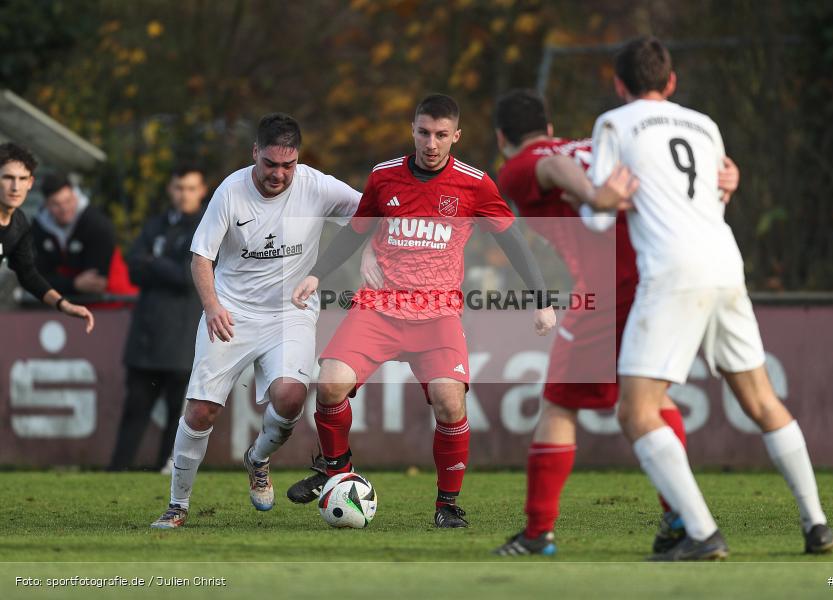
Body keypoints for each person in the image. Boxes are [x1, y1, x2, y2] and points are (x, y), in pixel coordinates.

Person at [592, 37, 833, 560]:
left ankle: (702, 532)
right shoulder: (704, 125)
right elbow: (721, 190)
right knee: (761, 399)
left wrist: (594, 196)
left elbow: (598, 213)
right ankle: (816, 523)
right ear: (672, 82)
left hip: (672, 270)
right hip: (725, 262)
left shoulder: (614, 123)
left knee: (636, 413)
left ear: (619, 85)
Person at [489, 89, 742, 556]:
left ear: (502, 137)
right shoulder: (592, 145)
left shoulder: (519, 165)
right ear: (549, 127)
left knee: (559, 406)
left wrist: (592, 197)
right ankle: (681, 518)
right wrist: (723, 172)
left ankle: (537, 532)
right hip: (657, 277)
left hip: (609, 288)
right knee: (652, 398)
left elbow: (549, 169)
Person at [286, 94, 557, 528]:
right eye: (424, 133)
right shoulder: (384, 177)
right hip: (378, 306)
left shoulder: (475, 184)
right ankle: (334, 470)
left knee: (451, 403)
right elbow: (355, 232)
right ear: (413, 130)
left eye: (442, 135)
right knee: (331, 382)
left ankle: (446, 505)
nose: (432, 143)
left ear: (456, 136)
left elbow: (513, 241)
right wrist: (317, 272)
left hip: (437, 314)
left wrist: (541, 299)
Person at [150, 113, 362, 529]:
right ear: (255, 155)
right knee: (200, 413)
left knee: (289, 398)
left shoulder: (317, 186)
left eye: (288, 165)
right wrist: (212, 307)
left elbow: (371, 211)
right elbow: (201, 257)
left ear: (298, 160)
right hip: (231, 310)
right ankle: (177, 505)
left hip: (291, 313)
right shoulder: (230, 191)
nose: (279, 174)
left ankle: (258, 458)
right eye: (270, 164)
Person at [108, 165, 208, 472]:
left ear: (202, 191)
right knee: (134, 409)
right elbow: (133, 268)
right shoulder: (156, 225)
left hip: (181, 336)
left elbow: (185, 276)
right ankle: (116, 470)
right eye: (179, 188)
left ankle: (167, 469)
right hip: (146, 335)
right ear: (170, 189)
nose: (184, 195)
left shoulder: (206, 226)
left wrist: (153, 261)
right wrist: (158, 265)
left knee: (178, 414)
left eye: (191, 188)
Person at [0, 143, 94, 331]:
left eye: (22, 179)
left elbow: (27, 273)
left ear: (30, 183)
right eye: (8, 178)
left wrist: (63, 304)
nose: (15, 187)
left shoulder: (19, 224)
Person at [32, 172, 118, 303]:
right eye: (56, 204)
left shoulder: (97, 224)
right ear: (46, 205)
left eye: (68, 201)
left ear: (75, 196)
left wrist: (59, 283)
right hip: (63, 306)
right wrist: (74, 284)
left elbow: (96, 283)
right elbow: (35, 278)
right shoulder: (38, 228)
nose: (64, 208)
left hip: (113, 304)